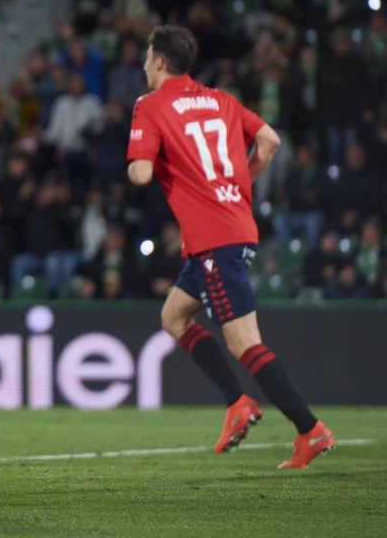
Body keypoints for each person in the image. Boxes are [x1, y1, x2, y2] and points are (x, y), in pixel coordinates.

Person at [127, 25, 334, 470]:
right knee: (173, 316)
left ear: (160, 62)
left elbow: (141, 174)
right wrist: (238, 186)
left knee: (244, 344)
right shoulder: (221, 99)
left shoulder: (150, 104)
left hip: (214, 238)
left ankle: (310, 430)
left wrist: (136, 165)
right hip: (233, 228)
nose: (144, 65)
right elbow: (270, 141)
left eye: (147, 58)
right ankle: (237, 403)